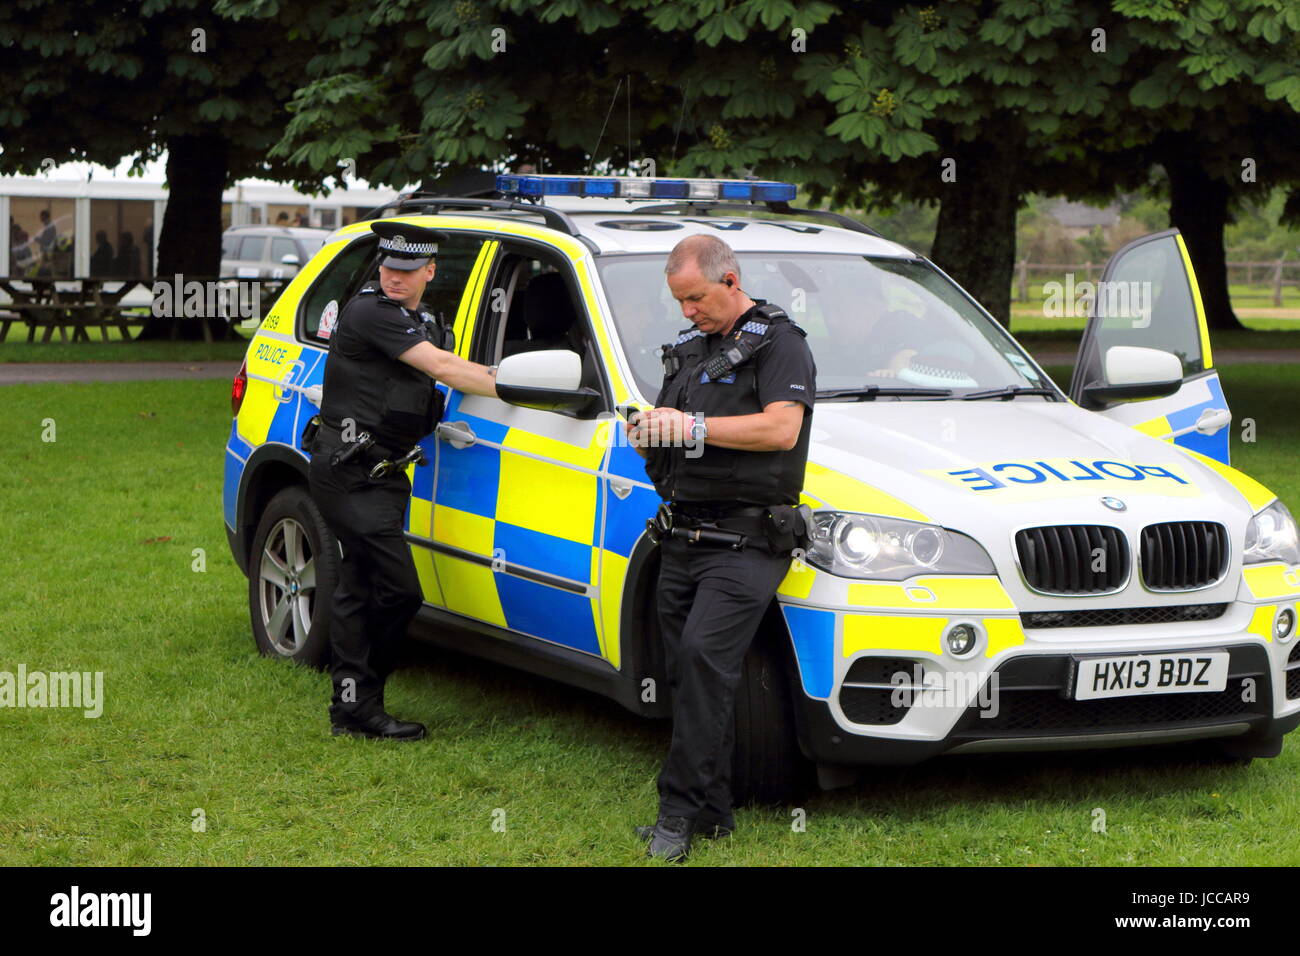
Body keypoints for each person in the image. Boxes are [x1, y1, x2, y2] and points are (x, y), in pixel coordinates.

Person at [626, 234, 816, 861]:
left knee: (707, 660)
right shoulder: (688, 350)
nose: (688, 312)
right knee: (687, 672)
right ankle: (713, 811)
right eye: (679, 301)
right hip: (681, 534)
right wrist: (649, 431)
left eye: (696, 299)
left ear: (729, 280)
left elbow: (781, 427)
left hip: (747, 538)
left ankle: (676, 814)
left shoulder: (780, 343)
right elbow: (666, 424)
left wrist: (695, 428)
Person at [309, 221, 499, 741]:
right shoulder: (371, 311)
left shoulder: (424, 319)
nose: (395, 277)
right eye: (389, 267)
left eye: (408, 270)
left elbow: (445, 364)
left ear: (429, 272)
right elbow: (442, 366)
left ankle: (350, 708)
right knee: (399, 591)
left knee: (358, 586)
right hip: (349, 473)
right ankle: (362, 701)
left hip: (384, 474)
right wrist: (515, 385)